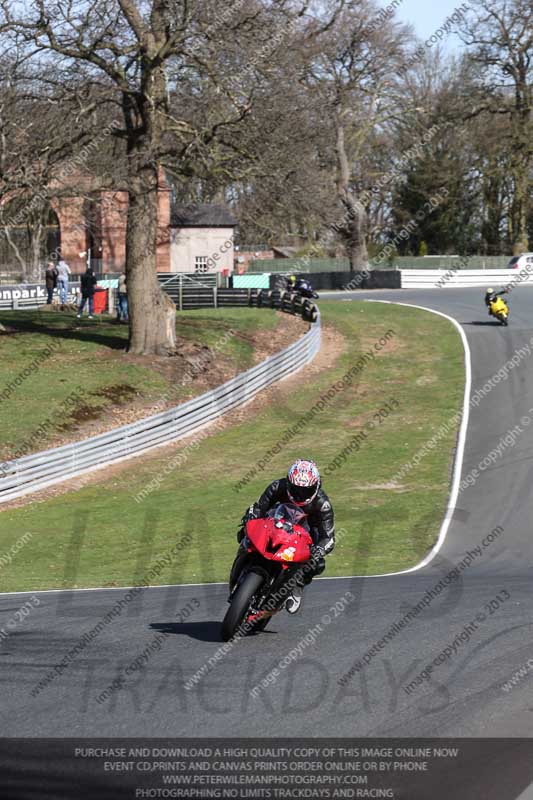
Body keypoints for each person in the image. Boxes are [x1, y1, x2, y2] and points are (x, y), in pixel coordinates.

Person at [236, 459, 335, 614]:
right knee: (245, 530)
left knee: (317, 563)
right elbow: (260, 507)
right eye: (296, 489)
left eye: (306, 491)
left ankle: (298, 585)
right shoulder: (277, 487)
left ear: (316, 487)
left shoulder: (322, 504)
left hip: (306, 533)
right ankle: (243, 560)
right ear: (288, 483)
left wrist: (319, 549)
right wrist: (251, 516)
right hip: (276, 522)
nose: (300, 494)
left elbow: (329, 537)